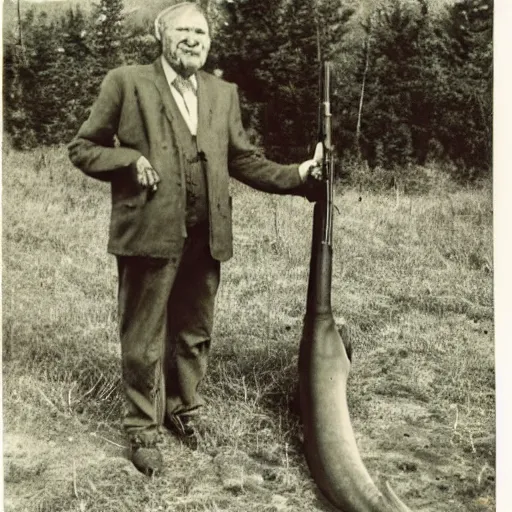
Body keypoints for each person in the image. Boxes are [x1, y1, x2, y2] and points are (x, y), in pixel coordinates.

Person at [68, 1, 323, 476]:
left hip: (206, 235)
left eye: (201, 33)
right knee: (143, 338)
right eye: (183, 31)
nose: (193, 40)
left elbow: (244, 159)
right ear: (160, 37)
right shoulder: (126, 82)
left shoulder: (222, 93)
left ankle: (183, 410)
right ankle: (143, 429)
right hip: (148, 231)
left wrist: (299, 174)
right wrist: (127, 161)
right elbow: (82, 147)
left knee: (193, 331)